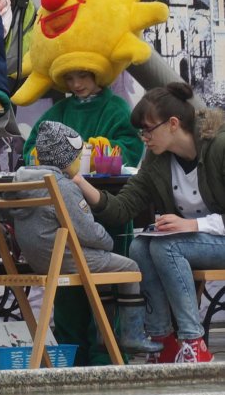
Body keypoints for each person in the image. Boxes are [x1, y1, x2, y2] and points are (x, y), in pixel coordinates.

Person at [73, 83, 225, 364]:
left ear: (173, 124)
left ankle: (193, 342)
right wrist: (79, 181)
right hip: (191, 244)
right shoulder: (157, 158)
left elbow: (188, 230)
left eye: (147, 129)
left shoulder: (219, 147)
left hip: (213, 238)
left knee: (166, 247)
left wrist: (193, 225)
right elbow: (122, 208)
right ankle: (162, 341)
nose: (143, 137)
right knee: (141, 246)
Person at [11, 121, 161, 355]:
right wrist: (108, 242)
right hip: (64, 259)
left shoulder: (22, 180)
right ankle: (129, 335)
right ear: (67, 158)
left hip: (38, 259)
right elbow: (88, 231)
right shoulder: (63, 186)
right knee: (128, 266)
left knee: (102, 268)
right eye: (78, 156)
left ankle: (105, 336)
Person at [21, 69, 144, 169]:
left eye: (83, 76)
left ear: (96, 72)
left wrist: (87, 154)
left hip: (107, 191)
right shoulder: (59, 110)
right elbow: (31, 148)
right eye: (69, 78)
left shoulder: (118, 108)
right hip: (63, 191)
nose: (76, 84)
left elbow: (131, 150)